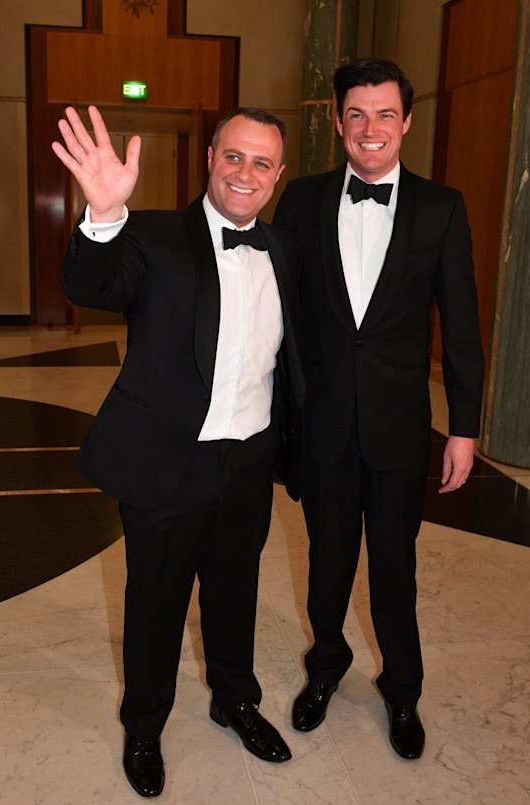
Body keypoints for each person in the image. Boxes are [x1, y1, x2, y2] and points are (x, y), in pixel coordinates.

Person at [52, 105, 304, 797]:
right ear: (211, 158)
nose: (244, 173)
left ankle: (234, 700)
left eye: (261, 162)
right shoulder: (156, 234)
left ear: (278, 175)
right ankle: (143, 724)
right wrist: (103, 213)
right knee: (156, 601)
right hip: (168, 459)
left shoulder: (283, 249)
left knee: (235, 591)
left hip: (248, 459)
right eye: (233, 156)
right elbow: (94, 285)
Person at [273, 58, 483, 760]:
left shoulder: (442, 207)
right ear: (336, 122)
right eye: (356, 114)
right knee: (326, 564)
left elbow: (461, 327)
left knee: (395, 569)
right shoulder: (299, 202)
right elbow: (278, 314)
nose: (370, 129)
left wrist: (463, 425)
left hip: (399, 429)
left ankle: (402, 688)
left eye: (385, 114)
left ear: (407, 121)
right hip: (324, 426)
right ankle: (325, 668)